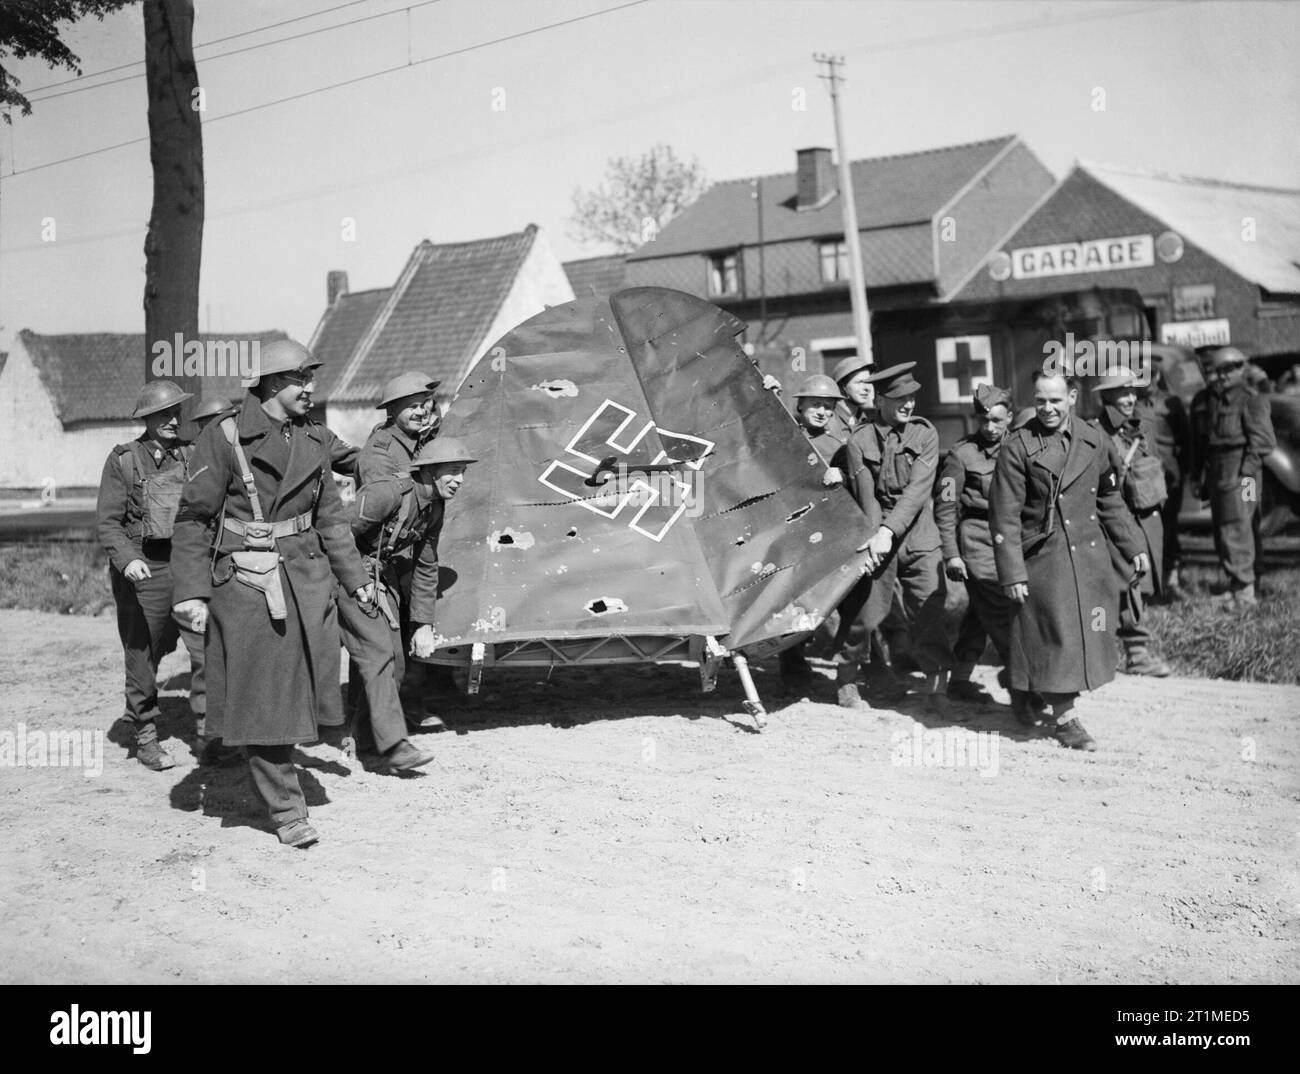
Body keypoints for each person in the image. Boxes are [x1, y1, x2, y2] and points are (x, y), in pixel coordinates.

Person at [172, 339, 373, 848]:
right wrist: (191, 591)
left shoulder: (314, 437)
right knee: (265, 698)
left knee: (305, 689)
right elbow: (194, 519)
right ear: (270, 383)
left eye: (310, 378)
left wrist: (356, 580)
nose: (310, 388)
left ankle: (263, 763)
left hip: (307, 579)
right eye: (300, 379)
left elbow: (331, 520)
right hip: (248, 582)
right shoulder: (224, 436)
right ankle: (287, 810)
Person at [989, 370, 1147, 751]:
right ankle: (1065, 720)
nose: (1047, 408)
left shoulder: (1094, 439)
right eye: (1040, 400)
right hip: (1043, 557)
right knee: (1056, 636)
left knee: (1083, 634)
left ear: (1072, 398)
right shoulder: (1018, 447)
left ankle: (1024, 684)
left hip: (1088, 555)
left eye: (1055, 400)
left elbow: (1109, 499)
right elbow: (1004, 516)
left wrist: (1134, 545)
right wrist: (1012, 572)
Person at [96, 380, 204, 770]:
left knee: (205, 646)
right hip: (144, 568)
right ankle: (145, 735)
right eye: (164, 414)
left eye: (177, 412)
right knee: (142, 651)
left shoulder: (193, 454)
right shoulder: (123, 460)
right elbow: (108, 523)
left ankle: (209, 733)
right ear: (147, 418)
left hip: (188, 564)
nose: (173, 420)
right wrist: (127, 560)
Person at [851, 362, 956, 716]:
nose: (909, 404)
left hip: (920, 536)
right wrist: (875, 537)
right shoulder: (859, 441)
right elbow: (867, 497)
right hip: (878, 535)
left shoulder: (924, 434)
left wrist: (887, 531)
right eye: (899, 399)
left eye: (912, 397)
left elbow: (916, 492)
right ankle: (853, 677)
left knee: (929, 610)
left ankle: (938, 689)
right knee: (868, 613)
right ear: (879, 400)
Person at [934, 383, 1016, 708]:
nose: (990, 427)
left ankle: (960, 679)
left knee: (982, 612)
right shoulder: (961, 454)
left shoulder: (1020, 448)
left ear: (1009, 417)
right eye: (984, 420)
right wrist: (952, 554)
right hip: (978, 540)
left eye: (997, 420)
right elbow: (945, 508)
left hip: (1013, 539)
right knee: (999, 609)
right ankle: (1022, 682)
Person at [1094, 370, 1172, 676]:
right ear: (1106, 395)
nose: (1129, 398)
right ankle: (1133, 653)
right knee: (1127, 584)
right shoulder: (1097, 433)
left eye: (1132, 392)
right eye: (1121, 392)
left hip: (1148, 518)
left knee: (1142, 583)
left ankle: (1129, 651)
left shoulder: (1142, 426)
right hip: (1119, 521)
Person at [1189, 347, 1276, 606]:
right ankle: (1243, 583)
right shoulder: (1208, 400)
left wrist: (1245, 473)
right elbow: (1199, 444)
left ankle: (1244, 590)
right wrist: (1197, 476)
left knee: (1238, 525)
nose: (1223, 375)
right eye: (1219, 370)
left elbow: (1263, 442)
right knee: (1230, 526)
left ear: (1241, 368)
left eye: (1230, 369)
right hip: (1219, 469)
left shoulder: (1250, 399)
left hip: (1242, 471)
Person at [405, 440, 476, 666]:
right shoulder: (390, 494)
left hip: (376, 578)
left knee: (393, 659)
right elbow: (340, 535)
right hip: (349, 578)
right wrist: (357, 583)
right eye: (453, 471)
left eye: (463, 472)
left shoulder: (434, 508)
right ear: (429, 472)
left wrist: (423, 625)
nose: (460, 479)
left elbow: (426, 564)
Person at [1135, 359, 1187, 597]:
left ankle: (1172, 578)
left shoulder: (1170, 403)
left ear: (1157, 376)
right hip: (1142, 474)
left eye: (1149, 373)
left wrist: (1188, 472)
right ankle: (1149, 582)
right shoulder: (1130, 402)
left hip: (1169, 472)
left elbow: (1186, 439)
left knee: (1169, 525)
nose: (1144, 379)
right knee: (1146, 526)